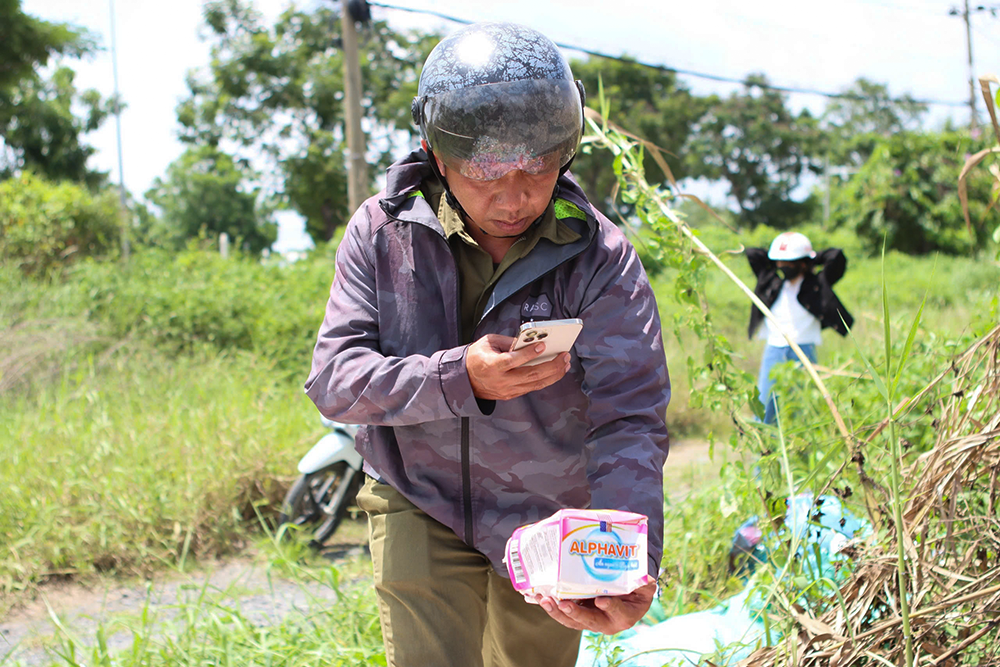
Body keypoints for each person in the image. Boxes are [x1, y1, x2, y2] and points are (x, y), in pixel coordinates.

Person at [304, 21, 671, 667]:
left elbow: (630, 418)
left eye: (536, 169)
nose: (514, 197)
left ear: (566, 151)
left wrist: (628, 559)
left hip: (548, 512)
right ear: (435, 153)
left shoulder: (600, 257)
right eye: (484, 172)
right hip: (417, 493)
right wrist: (458, 378)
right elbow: (335, 379)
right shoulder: (380, 233)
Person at [746, 231, 853, 424]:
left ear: (803, 262)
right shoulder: (771, 281)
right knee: (765, 408)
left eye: (790, 262)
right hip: (774, 349)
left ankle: (799, 450)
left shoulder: (817, 284)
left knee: (802, 407)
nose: (784, 267)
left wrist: (812, 257)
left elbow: (835, 256)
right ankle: (763, 451)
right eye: (781, 262)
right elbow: (753, 254)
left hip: (804, 350)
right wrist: (778, 258)